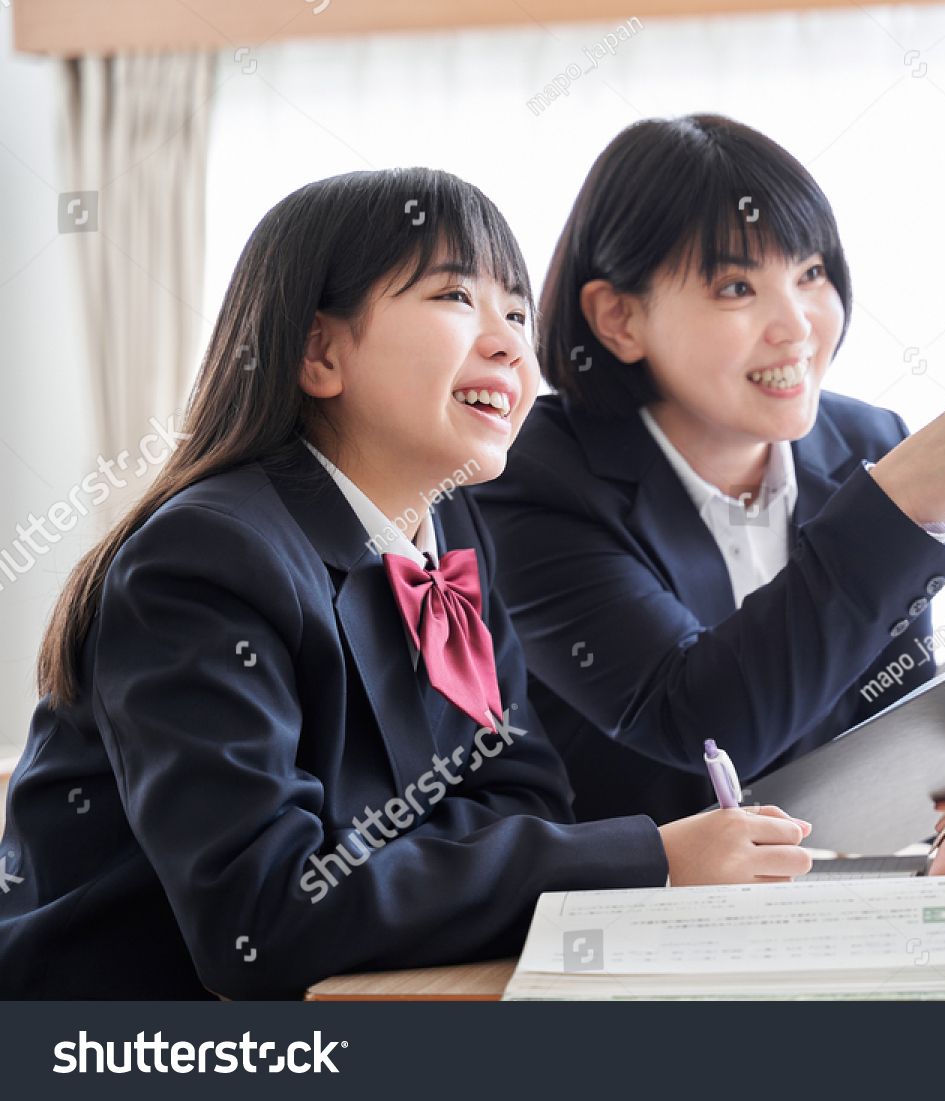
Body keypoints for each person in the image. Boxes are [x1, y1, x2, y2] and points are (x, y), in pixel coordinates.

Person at [0, 167, 811, 1000]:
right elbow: (265, 919)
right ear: (319, 350)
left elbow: (525, 795)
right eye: (456, 297)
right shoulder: (206, 557)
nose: (506, 343)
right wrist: (653, 856)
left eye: (519, 313)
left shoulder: (451, 530)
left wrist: (376, 863)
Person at [473, 115, 945, 839]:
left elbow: (881, 735)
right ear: (619, 318)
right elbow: (698, 725)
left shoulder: (868, 444)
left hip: (820, 905)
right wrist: (894, 511)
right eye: (737, 287)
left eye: (810, 273)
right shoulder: (530, 478)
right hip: (624, 926)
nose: (797, 325)